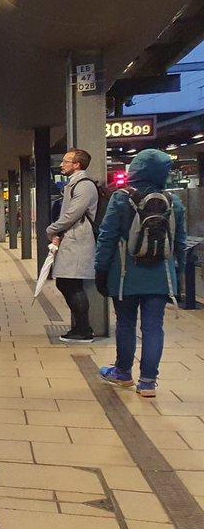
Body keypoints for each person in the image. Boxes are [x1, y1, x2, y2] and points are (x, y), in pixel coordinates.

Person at [94, 149, 187, 398]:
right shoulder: (173, 202)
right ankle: (148, 382)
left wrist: (100, 269)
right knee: (153, 327)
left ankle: (123, 372)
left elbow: (107, 237)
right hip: (160, 276)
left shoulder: (122, 198)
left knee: (125, 324)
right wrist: (177, 273)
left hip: (124, 274)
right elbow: (180, 242)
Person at [46, 148, 99, 342]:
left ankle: (84, 330)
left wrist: (51, 230)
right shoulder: (74, 184)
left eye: (66, 161)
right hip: (73, 239)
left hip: (79, 240)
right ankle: (80, 327)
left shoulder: (84, 186)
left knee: (71, 283)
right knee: (66, 282)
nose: (62, 164)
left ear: (77, 165)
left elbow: (71, 215)